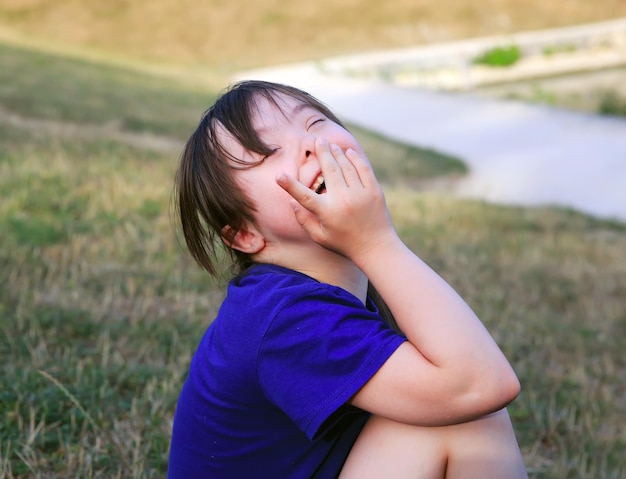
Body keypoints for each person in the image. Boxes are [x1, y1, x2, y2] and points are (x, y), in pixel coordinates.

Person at [168, 80, 528, 479]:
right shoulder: (285, 318)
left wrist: (375, 249)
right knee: (467, 420)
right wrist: (377, 244)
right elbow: (478, 385)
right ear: (244, 234)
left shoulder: (330, 290)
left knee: (454, 413)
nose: (310, 146)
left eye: (315, 122)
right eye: (268, 152)